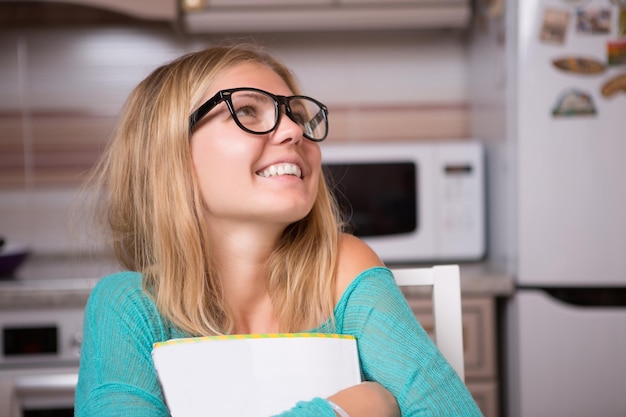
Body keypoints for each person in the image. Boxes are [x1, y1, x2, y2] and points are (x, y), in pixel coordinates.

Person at [74, 43, 483, 417]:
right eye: (248, 111)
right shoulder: (126, 306)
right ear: (167, 153)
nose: (293, 131)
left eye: (298, 116)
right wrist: (349, 409)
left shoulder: (341, 269)